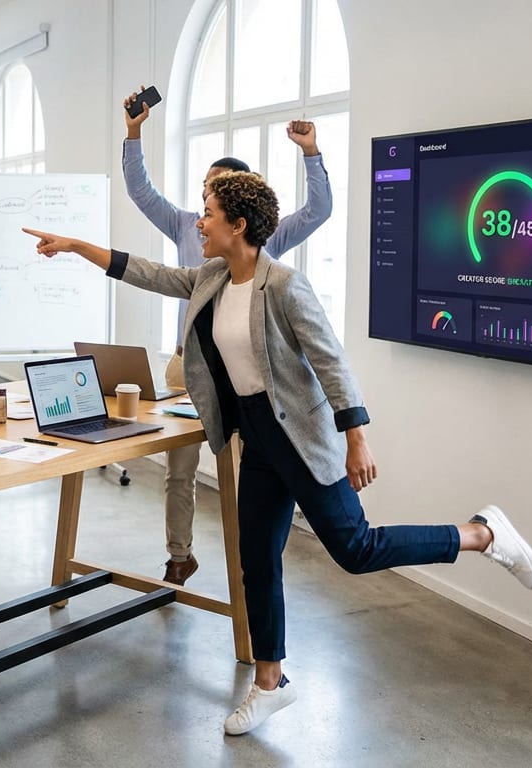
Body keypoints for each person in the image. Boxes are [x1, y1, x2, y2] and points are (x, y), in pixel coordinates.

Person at [22, 170, 532, 737]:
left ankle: (480, 534)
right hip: (257, 439)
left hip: (301, 438)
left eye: (209, 212)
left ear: (238, 225)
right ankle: (269, 683)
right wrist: (75, 247)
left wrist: (356, 436)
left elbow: (331, 361)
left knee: (355, 549)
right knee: (257, 562)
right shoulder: (211, 278)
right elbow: (145, 272)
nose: (200, 220)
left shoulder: (286, 286)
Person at [122, 89, 331, 586]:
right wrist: (134, 133)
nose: (204, 204)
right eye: (204, 192)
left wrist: (311, 154)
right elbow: (140, 190)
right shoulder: (186, 226)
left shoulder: (266, 238)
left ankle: (253, 567)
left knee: (248, 475)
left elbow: (318, 210)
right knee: (180, 469)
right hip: (187, 366)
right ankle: (180, 554)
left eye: (217, 194)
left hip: (250, 374)